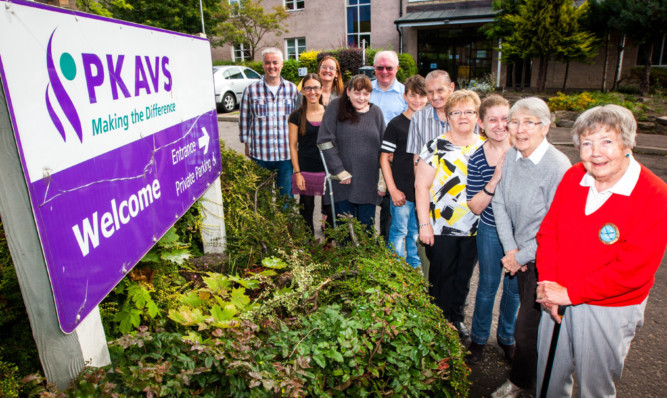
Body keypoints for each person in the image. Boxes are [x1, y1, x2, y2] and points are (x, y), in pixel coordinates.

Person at [534, 105, 667, 397]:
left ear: (628, 144)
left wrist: (569, 294)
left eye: (607, 141)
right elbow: (549, 233)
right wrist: (548, 284)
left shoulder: (654, 194)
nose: (596, 152)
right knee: (548, 379)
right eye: (587, 142)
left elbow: (633, 269)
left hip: (609, 307)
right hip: (556, 293)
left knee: (595, 387)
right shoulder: (574, 176)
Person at [491, 98, 571, 398]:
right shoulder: (512, 156)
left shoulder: (558, 166)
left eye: (529, 122)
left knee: (529, 327)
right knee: (530, 326)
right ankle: (531, 379)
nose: (520, 129)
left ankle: (522, 383)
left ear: (546, 126)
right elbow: (498, 201)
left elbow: (557, 225)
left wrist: (520, 256)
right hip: (522, 256)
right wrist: (513, 251)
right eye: (514, 122)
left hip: (548, 261)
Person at [415, 90, 485, 339]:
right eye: (457, 112)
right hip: (440, 227)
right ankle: (436, 323)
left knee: (463, 277)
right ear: (447, 116)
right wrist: (424, 224)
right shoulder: (434, 146)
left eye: (469, 111)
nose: (463, 116)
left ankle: (456, 319)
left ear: (477, 116)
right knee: (440, 276)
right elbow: (421, 186)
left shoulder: (485, 147)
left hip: (476, 227)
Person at [466, 95, 519, 364]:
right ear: (481, 124)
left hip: (520, 233)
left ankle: (507, 338)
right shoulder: (477, 159)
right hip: (490, 229)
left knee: (514, 290)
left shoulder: (524, 150)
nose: (500, 125)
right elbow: (475, 206)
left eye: (505, 119)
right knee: (487, 286)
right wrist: (496, 177)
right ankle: (478, 339)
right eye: (492, 120)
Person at [406, 69, 456, 280]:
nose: (435, 97)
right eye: (430, 92)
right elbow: (416, 158)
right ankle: (430, 293)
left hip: (458, 196)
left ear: (451, 88)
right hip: (430, 193)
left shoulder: (465, 115)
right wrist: (421, 196)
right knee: (430, 247)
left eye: (440, 90)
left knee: (456, 252)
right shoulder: (419, 118)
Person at [317, 74, 385, 230]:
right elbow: (324, 141)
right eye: (357, 92)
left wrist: (383, 179)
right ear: (348, 92)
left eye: (366, 93)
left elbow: (384, 149)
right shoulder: (335, 107)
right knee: (345, 232)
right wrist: (338, 169)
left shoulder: (376, 113)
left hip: (368, 183)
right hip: (343, 182)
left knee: (366, 231)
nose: (361, 97)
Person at [380, 75, 428, 268]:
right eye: (413, 95)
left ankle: (415, 270)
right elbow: (384, 157)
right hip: (401, 190)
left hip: (422, 192)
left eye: (422, 96)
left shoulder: (429, 123)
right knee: (399, 231)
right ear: (405, 96)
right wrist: (392, 189)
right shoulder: (396, 125)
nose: (417, 100)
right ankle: (397, 272)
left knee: (416, 233)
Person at [239, 47, 298, 197]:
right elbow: (244, 119)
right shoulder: (251, 90)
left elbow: (298, 121)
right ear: (263, 65)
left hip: (286, 156)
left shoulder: (292, 90)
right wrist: (246, 144)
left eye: (275, 62)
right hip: (260, 155)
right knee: (262, 198)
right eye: (267, 63)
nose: (271, 66)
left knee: (285, 199)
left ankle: (286, 222)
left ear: (282, 64)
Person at [370, 50, 407, 242]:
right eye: (380, 67)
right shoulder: (365, 90)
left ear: (397, 69)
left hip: (392, 159)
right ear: (374, 68)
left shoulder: (405, 94)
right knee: (366, 200)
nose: (384, 71)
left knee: (388, 205)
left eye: (389, 67)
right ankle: (365, 241)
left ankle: (385, 244)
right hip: (366, 156)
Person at [288, 73, 326, 234]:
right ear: (302, 91)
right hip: (306, 170)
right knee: (306, 211)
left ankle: (329, 244)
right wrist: (297, 173)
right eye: (308, 88)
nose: (312, 92)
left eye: (316, 87)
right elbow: (292, 146)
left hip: (327, 171)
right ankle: (309, 245)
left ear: (321, 89)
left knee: (330, 210)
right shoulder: (296, 116)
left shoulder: (330, 113)